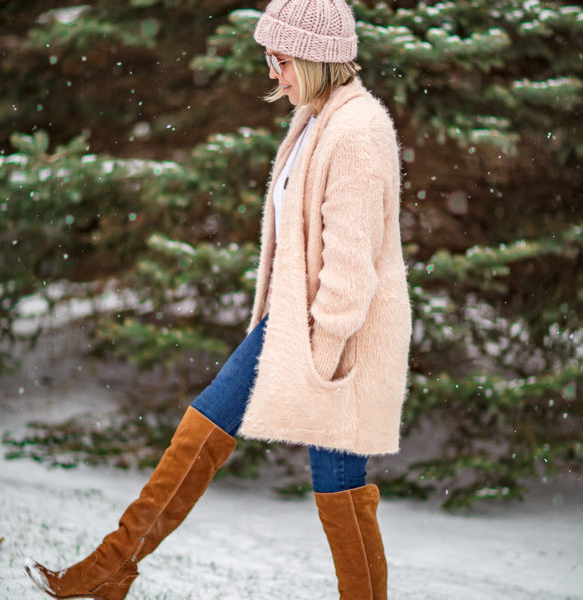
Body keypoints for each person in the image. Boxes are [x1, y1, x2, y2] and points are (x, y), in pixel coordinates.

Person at [24, 0, 412, 598]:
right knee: (204, 429)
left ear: (313, 57)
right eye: (268, 59)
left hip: (334, 339)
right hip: (292, 327)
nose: (272, 73)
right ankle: (110, 567)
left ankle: (110, 569)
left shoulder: (356, 131)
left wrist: (321, 355)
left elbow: (350, 269)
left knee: (339, 483)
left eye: (278, 59)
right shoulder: (315, 118)